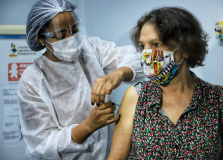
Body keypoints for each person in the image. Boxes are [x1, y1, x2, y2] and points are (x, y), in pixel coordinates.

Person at [108, 7, 223, 160]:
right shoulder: (136, 96)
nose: (147, 55)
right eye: (143, 46)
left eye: (156, 44)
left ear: (185, 49)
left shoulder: (220, 99)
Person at [18, 0, 144, 159]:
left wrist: (118, 74)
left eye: (75, 29)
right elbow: (40, 144)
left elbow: (140, 61)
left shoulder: (91, 48)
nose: (71, 38)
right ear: (41, 39)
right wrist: (87, 126)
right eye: (61, 35)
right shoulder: (33, 79)